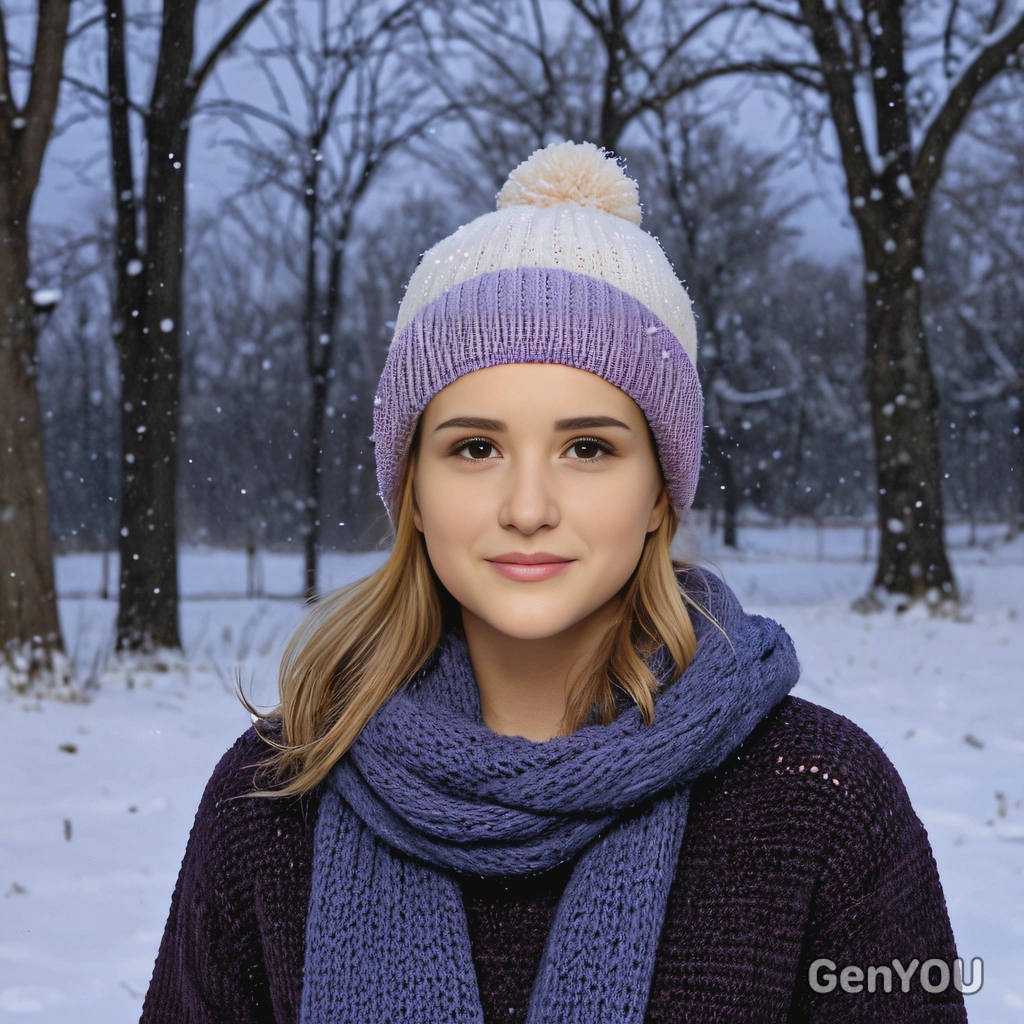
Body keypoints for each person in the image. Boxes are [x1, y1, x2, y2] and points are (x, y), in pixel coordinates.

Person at [140, 142, 968, 1023]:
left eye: (587, 448)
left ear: (659, 492)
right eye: (474, 447)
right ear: (412, 491)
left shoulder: (822, 798)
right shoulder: (274, 797)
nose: (527, 507)